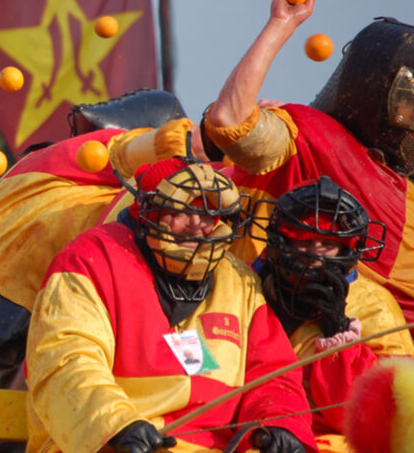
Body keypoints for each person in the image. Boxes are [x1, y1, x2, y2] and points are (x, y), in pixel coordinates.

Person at [204, 0, 414, 374]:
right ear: (371, 92)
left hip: (408, 365)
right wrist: (281, 24)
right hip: (309, 343)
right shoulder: (310, 139)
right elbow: (230, 120)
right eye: (411, 103)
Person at [26, 156, 314, 453]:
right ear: (148, 210)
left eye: (208, 212)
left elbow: (273, 374)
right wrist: (118, 426)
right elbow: (64, 359)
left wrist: (281, 423)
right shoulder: (91, 259)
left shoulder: (238, 278)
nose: (197, 224)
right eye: (182, 209)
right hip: (110, 444)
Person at [0, 89, 195, 380]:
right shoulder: (98, 151)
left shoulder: (54, 175)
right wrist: (200, 142)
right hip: (10, 319)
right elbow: (153, 146)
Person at [250, 176, 414, 450]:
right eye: (303, 240)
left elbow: (382, 417)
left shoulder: (375, 304)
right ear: (282, 241)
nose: (315, 253)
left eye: (327, 243)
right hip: (252, 433)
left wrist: (338, 333)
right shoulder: (246, 285)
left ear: (346, 248)